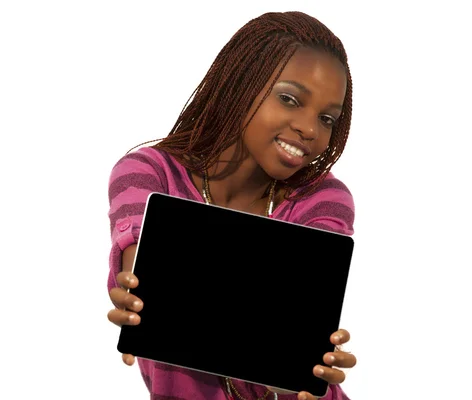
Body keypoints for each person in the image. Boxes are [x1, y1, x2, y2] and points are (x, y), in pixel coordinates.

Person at [106, 11, 357, 400]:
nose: (311, 129)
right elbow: (145, 285)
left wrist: (300, 367)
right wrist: (137, 296)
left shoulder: (323, 199)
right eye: (289, 99)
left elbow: (295, 340)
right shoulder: (147, 174)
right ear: (241, 84)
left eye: (327, 118)